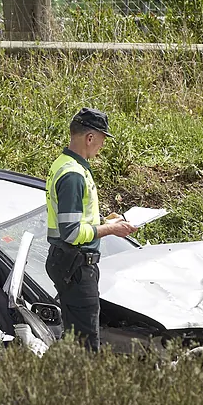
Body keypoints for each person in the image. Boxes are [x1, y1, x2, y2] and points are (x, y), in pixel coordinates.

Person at [44, 108, 136, 351]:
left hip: (69, 263)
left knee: (76, 339)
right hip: (76, 266)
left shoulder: (65, 164)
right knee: (86, 346)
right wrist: (109, 230)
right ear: (90, 137)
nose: (102, 145)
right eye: (103, 139)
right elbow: (72, 232)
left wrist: (107, 221)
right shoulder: (73, 175)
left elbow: (75, 220)